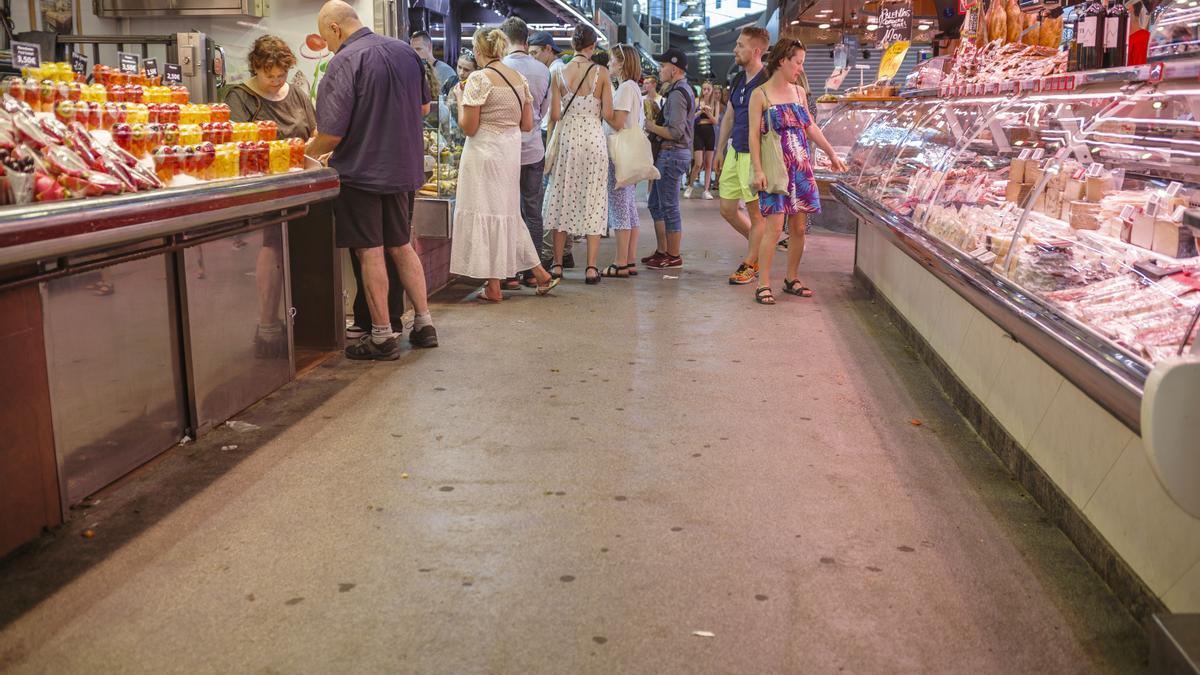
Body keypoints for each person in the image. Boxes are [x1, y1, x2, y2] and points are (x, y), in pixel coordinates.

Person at [308, 0, 438, 358]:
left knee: (371, 250)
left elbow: (331, 134)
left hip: (361, 172)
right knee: (401, 244)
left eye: (326, 37)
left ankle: (382, 336)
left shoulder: (344, 61)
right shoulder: (405, 51)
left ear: (335, 28)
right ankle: (424, 323)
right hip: (402, 168)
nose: (329, 45)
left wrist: (306, 152)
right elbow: (424, 107)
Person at [225, 35, 322, 357]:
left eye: (281, 74)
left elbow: (314, 131)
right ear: (256, 68)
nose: (276, 81)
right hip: (264, 188)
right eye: (270, 75)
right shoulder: (240, 97)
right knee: (271, 247)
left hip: (301, 184)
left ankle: (307, 322)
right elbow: (237, 143)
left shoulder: (295, 93)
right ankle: (266, 324)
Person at [450, 27, 560, 302]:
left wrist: (460, 100)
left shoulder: (478, 79)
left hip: (483, 153)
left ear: (478, 51)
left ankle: (496, 285)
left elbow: (469, 127)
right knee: (506, 214)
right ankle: (532, 276)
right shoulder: (518, 79)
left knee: (486, 212)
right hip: (509, 153)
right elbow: (526, 124)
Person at [747, 39, 846, 306]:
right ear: (783, 61)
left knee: (799, 227)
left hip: (800, 166)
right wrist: (757, 169)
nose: (801, 69)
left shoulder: (800, 93)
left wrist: (831, 153)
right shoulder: (760, 95)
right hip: (775, 168)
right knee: (774, 227)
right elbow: (753, 137)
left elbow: (810, 127)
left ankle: (791, 278)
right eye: (798, 62)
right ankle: (763, 283)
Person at [543, 24, 612, 285]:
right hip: (593, 140)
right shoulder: (601, 72)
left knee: (562, 196)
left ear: (573, 45)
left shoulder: (559, 72)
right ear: (592, 46)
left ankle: (558, 264)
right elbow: (607, 113)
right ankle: (591, 268)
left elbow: (555, 115)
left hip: (569, 140)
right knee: (593, 198)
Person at [499, 16, 552, 289]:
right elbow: (544, 111)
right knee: (532, 210)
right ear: (527, 39)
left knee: (507, 210)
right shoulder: (544, 70)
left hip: (505, 149)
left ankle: (509, 273)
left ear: (504, 40)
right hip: (533, 149)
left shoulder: (499, 69)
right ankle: (534, 271)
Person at [715, 26, 770, 286]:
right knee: (727, 209)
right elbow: (729, 116)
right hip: (735, 152)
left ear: (756, 51)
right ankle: (760, 248)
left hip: (755, 155)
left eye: (740, 45)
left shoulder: (768, 80)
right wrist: (719, 149)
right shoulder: (738, 80)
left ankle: (751, 262)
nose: (735, 49)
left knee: (756, 213)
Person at [642, 48, 694, 270]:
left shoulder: (677, 94)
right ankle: (662, 250)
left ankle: (673, 255)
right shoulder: (679, 91)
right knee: (656, 204)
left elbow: (676, 132)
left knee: (669, 206)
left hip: (672, 153)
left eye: (663, 66)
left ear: (674, 69)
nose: (660, 70)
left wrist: (652, 126)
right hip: (671, 154)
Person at [599, 44, 645, 278]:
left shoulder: (626, 88)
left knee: (619, 207)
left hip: (618, 152)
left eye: (612, 60)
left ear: (621, 62)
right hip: (628, 152)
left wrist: (603, 105)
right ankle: (629, 259)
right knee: (628, 206)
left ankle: (620, 262)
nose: (609, 64)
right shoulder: (633, 88)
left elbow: (617, 122)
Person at [685, 80, 719, 200]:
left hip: (710, 134)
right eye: (704, 89)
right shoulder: (697, 101)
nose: (706, 92)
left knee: (708, 163)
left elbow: (715, 121)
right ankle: (690, 186)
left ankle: (706, 190)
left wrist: (708, 114)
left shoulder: (715, 103)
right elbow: (691, 118)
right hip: (698, 133)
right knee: (698, 163)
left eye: (708, 89)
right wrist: (700, 111)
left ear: (712, 91)